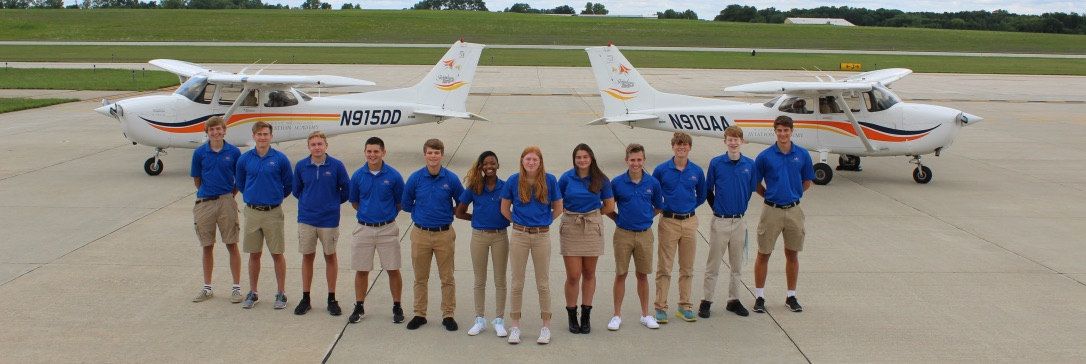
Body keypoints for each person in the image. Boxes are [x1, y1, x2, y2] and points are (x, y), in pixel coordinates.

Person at [752, 116, 815, 313]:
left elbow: (806, 182)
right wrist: (770, 196)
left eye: (786, 130)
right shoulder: (765, 156)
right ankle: (759, 296)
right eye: (779, 130)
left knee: (792, 253)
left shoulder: (803, 155)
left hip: (794, 210)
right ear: (775, 132)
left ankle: (791, 295)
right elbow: (756, 183)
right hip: (771, 210)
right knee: (764, 253)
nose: (783, 134)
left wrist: (792, 195)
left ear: (791, 131)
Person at [500, 146, 563, 345]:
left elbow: (558, 207)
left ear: (540, 161)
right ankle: (515, 326)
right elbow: (504, 208)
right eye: (528, 159)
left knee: (543, 283)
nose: (531, 163)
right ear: (522, 161)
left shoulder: (550, 180)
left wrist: (544, 222)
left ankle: (545, 327)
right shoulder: (513, 180)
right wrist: (518, 223)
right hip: (519, 235)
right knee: (517, 282)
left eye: (535, 159)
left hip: (541, 236)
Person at [402, 139, 465, 332]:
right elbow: (406, 203)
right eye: (430, 153)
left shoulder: (451, 179)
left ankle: (448, 315)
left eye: (436, 153)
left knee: (447, 277)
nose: (433, 156)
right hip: (420, 233)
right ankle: (420, 314)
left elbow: (461, 202)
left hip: (444, 234)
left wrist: (446, 213)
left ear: (442, 155)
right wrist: (422, 213)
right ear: (425, 155)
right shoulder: (415, 178)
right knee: (420, 277)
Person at [347, 137, 405, 324]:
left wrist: (385, 216)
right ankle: (359, 306)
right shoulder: (357, 176)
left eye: (376, 151)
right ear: (365, 152)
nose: (372, 155)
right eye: (369, 151)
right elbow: (355, 202)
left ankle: (397, 306)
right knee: (362, 269)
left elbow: (400, 202)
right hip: (364, 228)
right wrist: (368, 214)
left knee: (392, 268)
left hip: (387, 228)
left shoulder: (394, 176)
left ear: (383, 152)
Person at [235, 121, 293, 309]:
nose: (262, 137)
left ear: (271, 136)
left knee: (277, 253)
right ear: (254, 136)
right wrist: (253, 196)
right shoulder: (245, 159)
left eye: (266, 134)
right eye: (259, 134)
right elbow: (241, 183)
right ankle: (253, 292)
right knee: (254, 254)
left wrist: (274, 197)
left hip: (273, 212)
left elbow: (288, 185)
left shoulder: (280, 159)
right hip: (252, 212)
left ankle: (281, 292)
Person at [699, 126, 756, 318]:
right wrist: (717, 209)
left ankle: (734, 299)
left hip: (739, 221)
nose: (733, 143)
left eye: (737, 139)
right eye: (730, 139)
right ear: (725, 142)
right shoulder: (716, 163)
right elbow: (708, 190)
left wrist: (738, 209)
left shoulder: (750, 164)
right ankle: (706, 300)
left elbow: (749, 190)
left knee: (737, 265)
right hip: (720, 221)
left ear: (742, 142)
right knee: (713, 264)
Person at [605, 143, 663, 331]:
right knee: (620, 274)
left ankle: (645, 314)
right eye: (632, 160)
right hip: (623, 234)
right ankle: (616, 315)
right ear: (626, 160)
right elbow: (607, 207)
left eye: (639, 160)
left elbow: (658, 206)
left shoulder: (652, 183)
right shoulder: (617, 182)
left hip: (645, 235)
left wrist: (645, 219)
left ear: (644, 160)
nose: (636, 163)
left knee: (642, 274)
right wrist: (618, 219)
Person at [291, 131, 349, 316]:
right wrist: (310, 203)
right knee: (307, 257)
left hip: (329, 220)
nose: (317, 147)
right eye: (313, 144)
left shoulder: (337, 166)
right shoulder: (301, 166)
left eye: (320, 144)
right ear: (309, 147)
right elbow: (296, 190)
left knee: (330, 256)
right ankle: (306, 298)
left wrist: (330, 204)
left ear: (326, 146)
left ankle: (332, 298)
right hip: (307, 219)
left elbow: (345, 190)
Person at [557, 143, 614, 335]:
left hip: (592, 226)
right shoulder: (566, 178)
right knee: (573, 275)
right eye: (578, 157)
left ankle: (586, 314)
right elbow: (556, 201)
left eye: (585, 157)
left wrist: (594, 215)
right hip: (571, 227)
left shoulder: (601, 179)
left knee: (589, 273)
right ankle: (572, 314)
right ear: (574, 159)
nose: (582, 160)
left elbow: (609, 205)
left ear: (591, 158)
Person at [454, 151, 511, 337]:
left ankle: (499, 320)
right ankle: (480, 319)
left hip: (500, 236)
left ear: (498, 165)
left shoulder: (505, 186)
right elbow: (460, 212)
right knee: (479, 280)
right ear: (481, 167)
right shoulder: (474, 187)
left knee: (500, 280)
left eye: (492, 163)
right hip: (479, 236)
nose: (489, 167)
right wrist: (476, 218)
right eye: (485, 164)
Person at [651, 132, 706, 323]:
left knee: (687, 267)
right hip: (668, 221)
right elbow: (654, 193)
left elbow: (701, 195)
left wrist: (688, 208)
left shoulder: (697, 171)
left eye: (685, 145)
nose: (681, 147)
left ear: (690, 147)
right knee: (665, 267)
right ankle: (660, 307)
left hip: (690, 222)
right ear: (672, 146)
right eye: (678, 144)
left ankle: (685, 306)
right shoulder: (661, 170)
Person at [190, 116, 243, 304]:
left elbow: (239, 179)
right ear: (207, 132)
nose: (215, 133)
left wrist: (229, 196)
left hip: (226, 201)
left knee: (232, 243)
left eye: (218, 129)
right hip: (205, 202)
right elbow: (197, 179)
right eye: (211, 130)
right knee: (207, 245)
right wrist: (207, 195)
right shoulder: (199, 153)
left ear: (224, 130)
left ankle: (236, 288)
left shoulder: (234, 152)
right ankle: (207, 287)